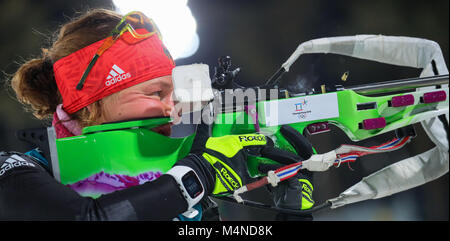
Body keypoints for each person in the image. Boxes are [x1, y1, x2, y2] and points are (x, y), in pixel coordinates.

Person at [0, 9, 314, 221]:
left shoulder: (171, 188)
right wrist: (197, 175)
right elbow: (86, 217)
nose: (171, 111)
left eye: (173, 95)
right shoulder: (15, 173)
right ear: (90, 105)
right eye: (155, 93)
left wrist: (290, 210)